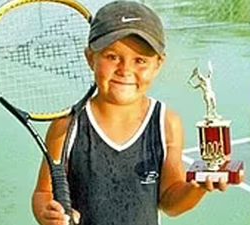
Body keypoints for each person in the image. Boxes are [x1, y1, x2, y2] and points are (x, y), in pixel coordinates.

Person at [32, 1, 228, 225]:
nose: (125, 70)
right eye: (112, 57)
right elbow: (43, 192)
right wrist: (48, 213)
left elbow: (170, 202)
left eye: (140, 60)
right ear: (90, 58)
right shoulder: (66, 127)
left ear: (158, 64)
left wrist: (199, 187)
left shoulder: (166, 123)